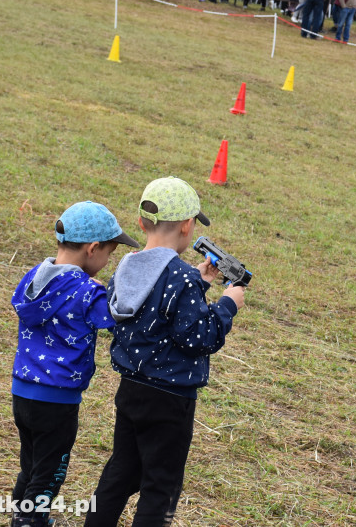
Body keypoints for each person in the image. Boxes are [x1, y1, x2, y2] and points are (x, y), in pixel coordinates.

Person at [85, 178, 244, 527]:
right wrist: (227, 306)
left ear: (142, 223)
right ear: (188, 227)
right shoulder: (181, 279)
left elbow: (148, 310)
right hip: (171, 399)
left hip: (132, 391)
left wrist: (198, 282)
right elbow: (198, 338)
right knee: (161, 486)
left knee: (121, 473)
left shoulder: (127, 266)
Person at [9, 201, 140, 527]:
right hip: (57, 401)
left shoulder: (32, 279)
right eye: (109, 253)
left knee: (31, 465)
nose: (108, 261)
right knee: (50, 472)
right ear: (92, 249)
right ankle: (29, 522)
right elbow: (116, 317)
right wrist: (124, 281)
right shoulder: (85, 292)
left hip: (22, 392)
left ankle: (20, 515)